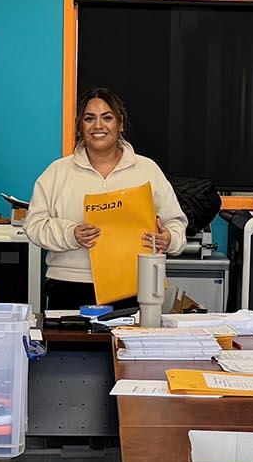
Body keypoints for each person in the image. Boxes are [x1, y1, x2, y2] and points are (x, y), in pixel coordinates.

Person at [24, 88, 186, 311]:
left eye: (107, 118)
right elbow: (33, 225)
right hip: (69, 287)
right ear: (80, 126)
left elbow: (176, 223)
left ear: (120, 124)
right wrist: (71, 234)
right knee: (69, 347)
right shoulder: (56, 172)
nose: (98, 126)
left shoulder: (148, 170)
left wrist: (170, 239)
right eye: (89, 118)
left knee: (128, 347)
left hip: (135, 288)